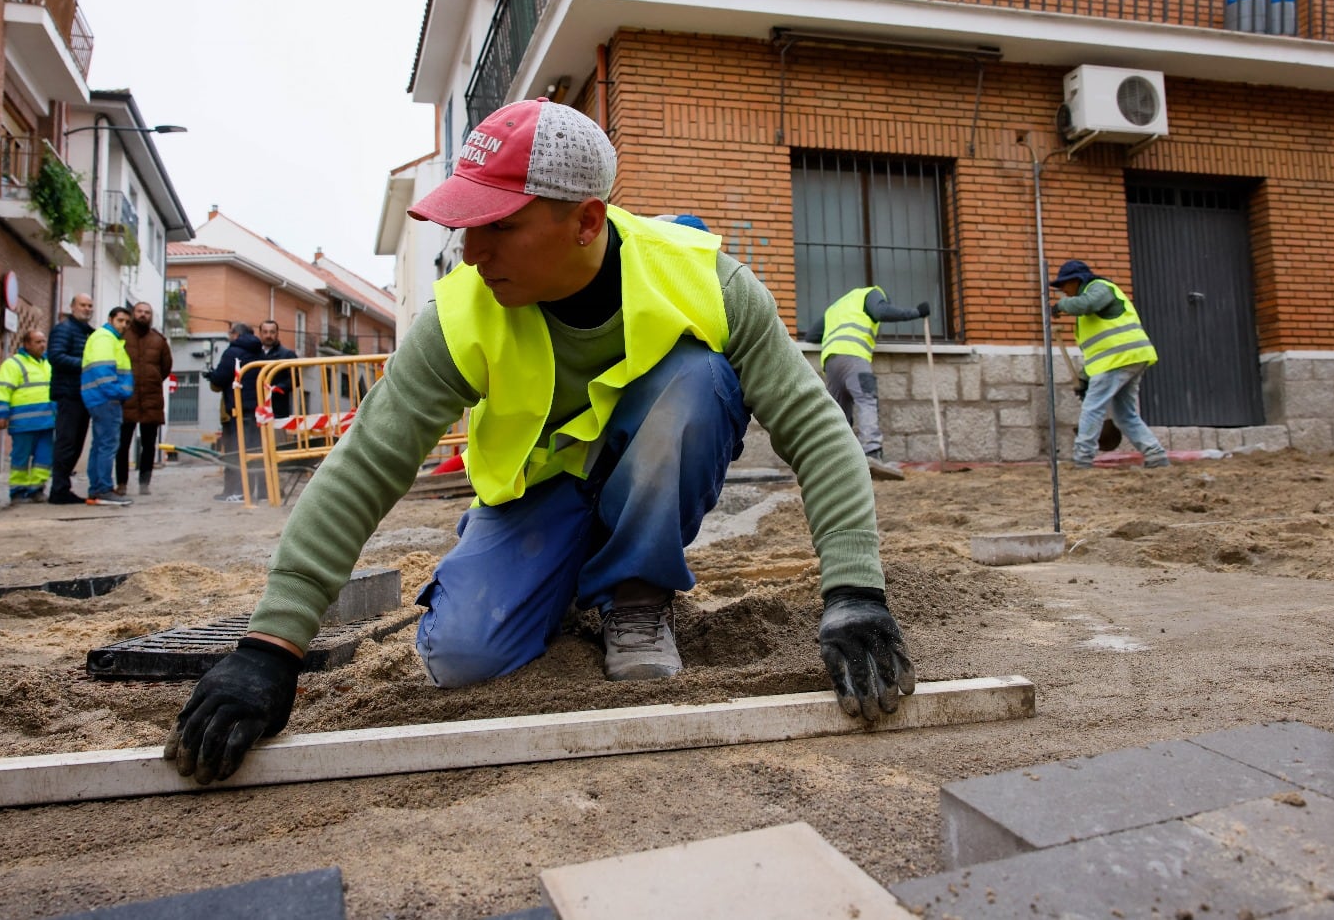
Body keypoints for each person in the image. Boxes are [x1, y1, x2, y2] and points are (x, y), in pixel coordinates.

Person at [166, 98, 916, 785]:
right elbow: (365, 464)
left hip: (645, 475)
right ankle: (560, 581)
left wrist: (854, 592)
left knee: (696, 380)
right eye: (466, 226)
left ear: (586, 221)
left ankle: (634, 593)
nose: (470, 253)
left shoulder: (704, 282)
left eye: (500, 227)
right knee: (462, 656)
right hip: (537, 500)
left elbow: (818, 430)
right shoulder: (463, 314)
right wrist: (272, 645)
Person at [1048, 259, 1169, 470]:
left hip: (1121, 357)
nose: (1062, 291)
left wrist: (1061, 306)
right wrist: (1085, 376)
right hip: (1126, 357)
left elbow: (1087, 305)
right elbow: (1099, 348)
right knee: (1125, 415)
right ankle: (1155, 454)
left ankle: (1082, 458)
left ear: (1077, 280)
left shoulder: (1100, 287)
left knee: (1092, 408)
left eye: (1063, 286)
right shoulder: (1088, 310)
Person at [815, 286, 930, 479]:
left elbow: (812, 335)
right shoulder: (872, 293)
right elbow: (881, 312)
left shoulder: (835, 308)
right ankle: (871, 453)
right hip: (854, 357)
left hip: (831, 363)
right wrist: (916, 312)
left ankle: (835, 459)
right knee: (866, 400)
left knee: (838, 413)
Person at [0, 329, 54, 504]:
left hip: (47, 421)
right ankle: (18, 491)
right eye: (38, 342)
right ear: (26, 344)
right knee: (20, 458)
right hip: (23, 422)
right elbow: (2, 390)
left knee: (44, 458)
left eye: (43, 341)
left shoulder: (48, 364)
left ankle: (37, 489)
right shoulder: (13, 364)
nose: (42, 345)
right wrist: (0, 414)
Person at [80, 306, 135, 505]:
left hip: (99, 397)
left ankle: (97, 488)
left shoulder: (105, 338)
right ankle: (103, 488)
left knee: (100, 444)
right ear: (111, 319)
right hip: (106, 398)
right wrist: (119, 392)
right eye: (121, 321)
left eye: (127, 322)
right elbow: (103, 371)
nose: (124, 325)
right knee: (107, 444)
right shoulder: (105, 338)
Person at [206, 322, 265, 503]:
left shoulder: (233, 351)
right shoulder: (259, 351)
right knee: (253, 449)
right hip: (257, 407)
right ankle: (250, 490)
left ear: (236, 334)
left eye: (231, 333)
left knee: (236, 450)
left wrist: (211, 375)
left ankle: (238, 492)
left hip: (237, 409)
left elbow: (221, 377)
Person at [118, 301, 172, 497]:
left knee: (148, 445)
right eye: (140, 311)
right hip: (126, 398)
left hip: (151, 399)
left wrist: (151, 379)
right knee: (122, 445)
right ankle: (122, 483)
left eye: (147, 312)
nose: (143, 315)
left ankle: (144, 483)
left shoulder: (159, 340)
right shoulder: (121, 337)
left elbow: (165, 368)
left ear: (151, 316)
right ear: (134, 314)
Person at [45, 293, 94, 505]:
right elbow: (56, 357)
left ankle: (63, 488)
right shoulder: (63, 330)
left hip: (83, 394)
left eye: (90, 306)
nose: (87, 309)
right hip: (68, 394)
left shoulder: (89, 333)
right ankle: (59, 490)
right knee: (66, 443)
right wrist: (86, 364)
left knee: (76, 443)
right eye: (83, 305)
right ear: (72, 306)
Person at [256, 319, 299, 419]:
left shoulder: (287, 354)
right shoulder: (254, 354)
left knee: (277, 434)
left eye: (272, 332)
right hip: (256, 408)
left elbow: (295, 379)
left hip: (278, 409)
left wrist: (276, 388)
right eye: (265, 332)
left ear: (277, 333)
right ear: (260, 333)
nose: (268, 335)